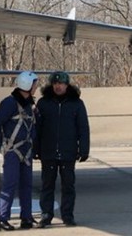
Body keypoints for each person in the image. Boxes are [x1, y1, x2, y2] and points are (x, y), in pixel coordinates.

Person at [34, 71, 90, 228]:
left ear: (67, 85)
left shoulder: (77, 104)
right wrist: (35, 148)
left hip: (68, 151)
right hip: (48, 151)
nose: (58, 86)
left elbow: (83, 128)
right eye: (56, 83)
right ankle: (46, 215)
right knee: (47, 185)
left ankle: (67, 215)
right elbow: (37, 128)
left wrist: (83, 149)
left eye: (61, 84)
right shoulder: (43, 103)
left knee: (68, 186)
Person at [0, 71, 39, 231]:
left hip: (26, 150)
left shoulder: (30, 104)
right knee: (10, 184)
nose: (36, 87)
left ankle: (26, 217)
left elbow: (32, 127)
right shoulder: (10, 103)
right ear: (28, 85)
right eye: (35, 84)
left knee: (26, 184)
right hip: (13, 150)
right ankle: (2, 219)